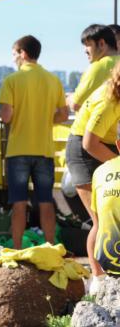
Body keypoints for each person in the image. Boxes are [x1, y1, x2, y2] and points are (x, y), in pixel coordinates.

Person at [0, 35, 68, 250]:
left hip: (18, 151)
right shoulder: (52, 80)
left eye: (14, 54)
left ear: (23, 53)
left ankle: (17, 249)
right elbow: (63, 114)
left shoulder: (12, 80)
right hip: (44, 150)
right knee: (46, 202)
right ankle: (51, 247)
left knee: (19, 204)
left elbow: (7, 116)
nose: (14, 60)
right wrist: (46, 118)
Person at [66, 25, 120, 276]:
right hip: (83, 148)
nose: (85, 52)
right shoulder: (110, 99)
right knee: (100, 220)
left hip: (102, 143)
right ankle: (98, 281)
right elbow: (89, 143)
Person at [68, 24, 119, 112]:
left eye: (88, 45)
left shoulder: (98, 67)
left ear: (101, 44)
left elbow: (75, 105)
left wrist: (69, 98)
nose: (85, 50)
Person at [89, 136, 120, 280]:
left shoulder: (100, 171)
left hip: (106, 262)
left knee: (96, 224)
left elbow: (98, 222)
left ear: (118, 145)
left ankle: (97, 278)